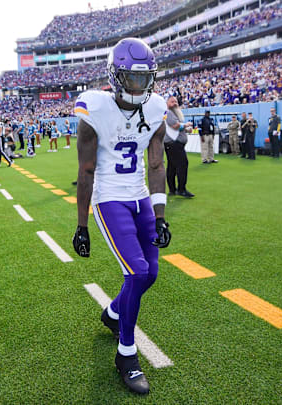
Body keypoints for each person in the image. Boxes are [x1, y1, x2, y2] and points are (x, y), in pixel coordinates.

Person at [72, 38, 172, 395]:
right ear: (114, 76)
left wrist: (160, 215)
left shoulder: (157, 106)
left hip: (140, 197)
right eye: (130, 78)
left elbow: (157, 163)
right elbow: (86, 170)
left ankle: (113, 313)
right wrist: (81, 225)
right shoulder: (94, 107)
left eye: (144, 79)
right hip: (109, 198)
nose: (137, 86)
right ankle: (126, 355)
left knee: (152, 274)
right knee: (138, 271)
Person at [164, 96, 194, 197]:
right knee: (182, 164)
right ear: (167, 103)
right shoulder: (168, 113)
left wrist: (185, 129)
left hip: (173, 144)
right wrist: (186, 125)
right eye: (172, 102)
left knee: (172, 167)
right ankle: (181, 189)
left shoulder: (173, 113)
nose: (175, 103)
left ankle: (173, 190)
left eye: (176, 102)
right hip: (174, 144)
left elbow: (175, 128)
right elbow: (175, 126)